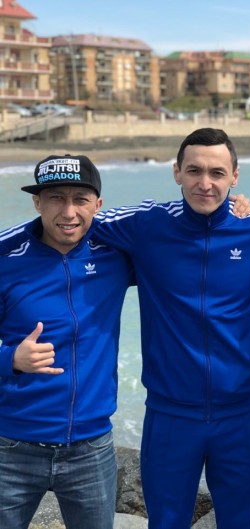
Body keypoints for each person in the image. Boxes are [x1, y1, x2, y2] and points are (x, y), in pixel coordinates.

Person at [85, 127, 250, 528]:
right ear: (176, 172)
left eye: (217, 173)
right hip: (171, 414)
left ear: (235, 177)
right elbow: (74, 220)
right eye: (194, 171)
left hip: (243, 413)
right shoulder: (146, 224)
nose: (205, 183)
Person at [0, 155, 133, 529]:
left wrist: (237, 210)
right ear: (37, 202)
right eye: (56, 198)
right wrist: (11, 358)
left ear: (98, 205)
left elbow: (183, 238)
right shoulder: (6, 259)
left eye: (80, 199)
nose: (69, 212)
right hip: (12, 445)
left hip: (91, 448)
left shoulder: (117, 253)